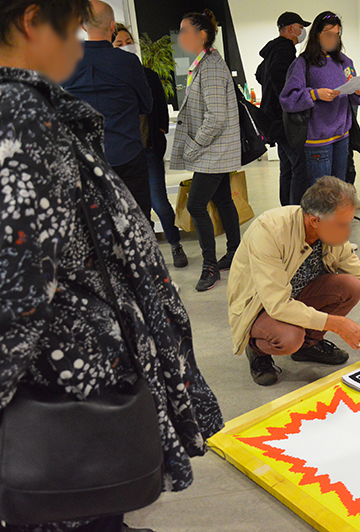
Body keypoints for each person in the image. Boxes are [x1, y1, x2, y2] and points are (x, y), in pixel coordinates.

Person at [0, 1, 223, 531]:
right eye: (71, 29)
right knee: (78, 511)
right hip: (62, 386)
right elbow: (19, 287)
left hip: (65, 377)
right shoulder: (19, 113)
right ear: (33, 21)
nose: (79, 48)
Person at [227, 176, 360, 386]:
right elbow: (276, 304)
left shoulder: (330, 234)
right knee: (289, 338)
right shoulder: (269, 231)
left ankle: (308, 346)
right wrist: (335, 324)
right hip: (259, 307)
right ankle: (257, 350)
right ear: (315, 221)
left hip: (299, 296)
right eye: (342, 224)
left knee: (351, 286)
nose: (348, 232)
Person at [62, 0, 154, 220]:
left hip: (87, 161)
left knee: (99, 227)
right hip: (128, 156)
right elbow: (147, 105)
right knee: (139, 221)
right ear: (113, 26)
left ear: (83, 26)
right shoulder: (128, 62)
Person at [171, 10, 241, 292]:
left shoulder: (210, 66)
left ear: (202, 35)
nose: (180, 36)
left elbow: (216, 116)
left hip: (214, 151)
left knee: (196, 205)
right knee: (223, 201)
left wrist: (195, 144)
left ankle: (210, 266)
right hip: (216, 151)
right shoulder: (204, 63)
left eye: (185, 30)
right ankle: (235, 252)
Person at [113, 24, 188, 269]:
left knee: (160, 203)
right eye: (119, 44)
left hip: (148, 150)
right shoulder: (111, 78)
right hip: (123, 153)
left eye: (128, 41)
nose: (126, 46)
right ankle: (146, 255)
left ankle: (175, 244)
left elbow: (159, 108)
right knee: (132, 207)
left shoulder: (148, 75)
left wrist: (160, 132)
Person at [280, 11, 360, 184]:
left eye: (337, 34)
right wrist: (314, 94)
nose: (333, 39)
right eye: (328, 34)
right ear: (317, 35)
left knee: (339, 188)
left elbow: (358, 99)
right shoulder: (302, 63)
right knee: (322, 194)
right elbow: (287, 99)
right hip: (317, 140)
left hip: (342, 137)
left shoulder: (345, 62)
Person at [255, 11, 310, 206]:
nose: (302, 32)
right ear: (289, 29)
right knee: (299, 167)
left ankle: (286, 208)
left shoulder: (272, 49)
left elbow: (260, 73)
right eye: (300, 28)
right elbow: (276, 73)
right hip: (284, 119)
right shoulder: (285, 48)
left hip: (272, 119)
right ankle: (295, 210)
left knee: (286, 166)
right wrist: (288, 99)